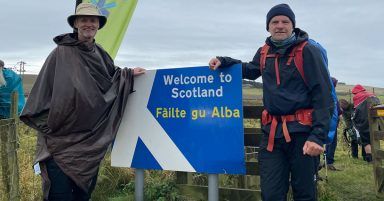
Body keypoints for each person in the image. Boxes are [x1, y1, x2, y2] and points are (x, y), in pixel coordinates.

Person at [19, 3, 145, 201]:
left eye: (93, 20)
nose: (89, 24)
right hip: (60, 148)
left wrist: (128, 75)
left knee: (83, 197)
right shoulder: (59, 54)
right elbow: (39, 98)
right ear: (76, 23)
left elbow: (111, 81)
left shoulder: (101, 54)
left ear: (98, 25)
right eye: (84, 19)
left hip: (90, 148)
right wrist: (54, 129)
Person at [209, 3, 333, 200]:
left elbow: (324, 96)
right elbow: (251, 69)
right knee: (271, 194)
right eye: (275, 22)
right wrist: (224, 61)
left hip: (302, 134)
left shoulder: (308, 51)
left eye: (285, 21)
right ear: (268, 26)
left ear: (293, 25)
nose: (280, 25)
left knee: (305, 194)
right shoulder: (265, 51)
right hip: (272, 136)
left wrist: (317, 136)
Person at [351, 84, 380, 163]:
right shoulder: (372, 95)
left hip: (364, 121)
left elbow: (357, 111)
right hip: (376, 119)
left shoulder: (357, 97)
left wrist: (355, 121)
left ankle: (370, 159)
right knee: (374, 138)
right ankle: (377, 156)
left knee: (366, 140)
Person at [324, 77, 342, 170]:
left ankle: (325, 160)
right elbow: (337, 110)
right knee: (332, 141)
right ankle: (329, 161)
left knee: (325, 141)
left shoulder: (322, 92)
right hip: (331, 121)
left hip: (323, 120)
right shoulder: (332, 94)